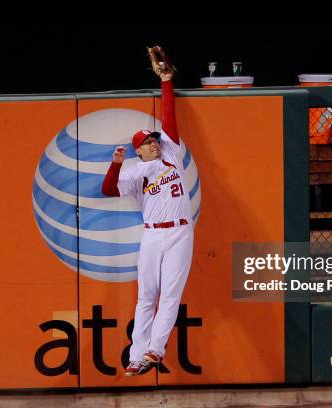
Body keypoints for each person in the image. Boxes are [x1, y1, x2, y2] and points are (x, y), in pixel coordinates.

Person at [101, 70, 194, 377]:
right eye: (147, 142)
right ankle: (137, 355)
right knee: (146, 297)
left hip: (180, 231)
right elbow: (108, 190)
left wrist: (166, 81)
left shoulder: (172, 155)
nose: (154, 143)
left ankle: (155, 349)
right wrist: (115, 165)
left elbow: (170, 118)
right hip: (153, 236)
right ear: (136, 150)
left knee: (170, 294)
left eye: (154, 140)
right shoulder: (132, 172)